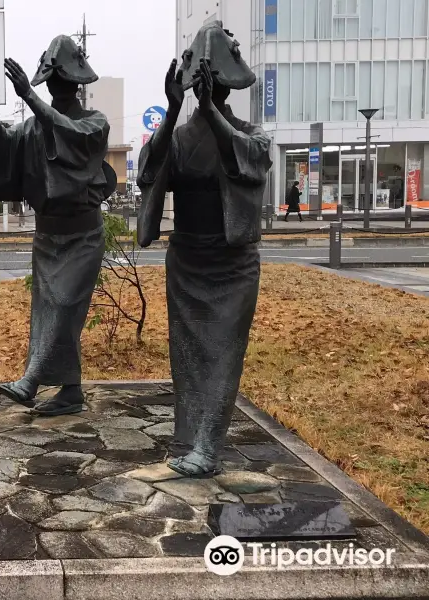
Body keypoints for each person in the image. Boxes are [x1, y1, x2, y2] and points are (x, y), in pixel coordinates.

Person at [137, 22, 272, 478]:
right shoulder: (179, 136)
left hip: (233, 265)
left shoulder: (250, 133)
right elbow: (150, 171)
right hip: (188, 260)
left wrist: (210, 112)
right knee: (189, 352)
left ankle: (208, 447)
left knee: (224, 352)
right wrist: (174, 109)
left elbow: (249, 159)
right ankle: (189, 436)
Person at [0, 35, 117, 417]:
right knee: (48, 311)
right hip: (47, 235)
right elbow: (3, 148)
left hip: (83, 235)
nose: (56, 85)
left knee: (65, 305)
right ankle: (71, 392)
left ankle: (31, 380)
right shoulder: (34, 127)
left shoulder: (93, 123)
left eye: (62, 79)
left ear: (77, 82)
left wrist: (28, 98)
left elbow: (70, 133)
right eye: (51, 79)